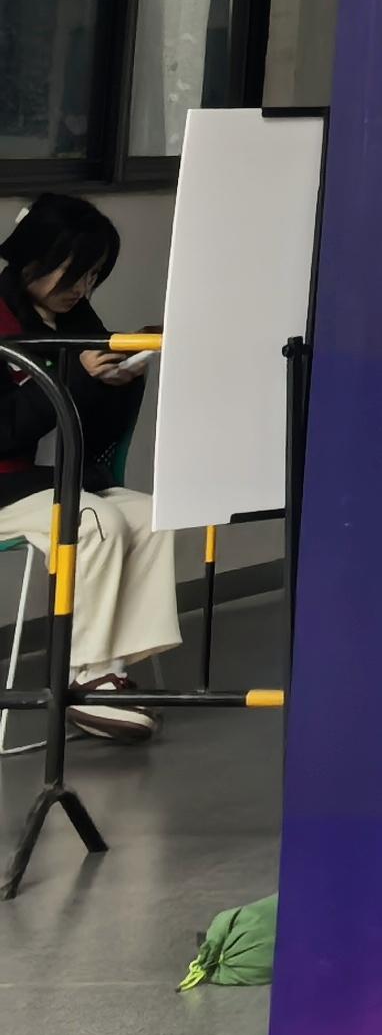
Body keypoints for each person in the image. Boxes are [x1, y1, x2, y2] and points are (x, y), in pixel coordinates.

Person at [0, 195, 178, 743]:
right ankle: (84, 678)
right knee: (95, 522)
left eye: (94, 275)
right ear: (33, 256)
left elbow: (88, 430)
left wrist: (114, 383)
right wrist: (74, 376)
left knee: (150, 516)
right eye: (74, 271)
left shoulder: (75, 320)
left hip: (49, 478)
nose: (82, 287)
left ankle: (112, 672)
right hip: (7, 484)